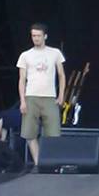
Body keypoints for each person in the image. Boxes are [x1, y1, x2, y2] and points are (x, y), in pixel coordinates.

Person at [17, 22, 66, 168]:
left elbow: (61, 75)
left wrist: (61, 95)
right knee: (29, 133)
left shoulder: (55, 53)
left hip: (49, 96)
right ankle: (39, 163)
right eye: (33, 36)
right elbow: (22, 79)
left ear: (45, 36)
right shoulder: (25, 55)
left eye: (38, 36)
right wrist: (22, 100)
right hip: (31, 96)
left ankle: (51, 163)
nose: (36, 38)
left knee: (53, 133)